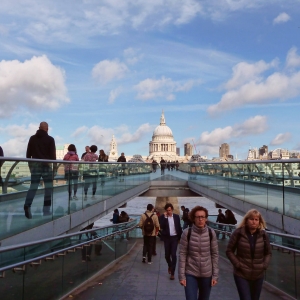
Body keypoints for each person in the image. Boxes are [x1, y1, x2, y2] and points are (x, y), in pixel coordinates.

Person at [226, 209, 272, 300]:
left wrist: (264, 265)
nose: (254, 222)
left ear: (259, 221)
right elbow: (229, 250)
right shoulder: (238, 233)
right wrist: (238, 264)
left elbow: (268, 253)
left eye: (256, 219)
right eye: (251, 219)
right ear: (246, 220)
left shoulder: (263, 235)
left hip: (258, 274)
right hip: (241, 274)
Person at [179, 206, 219, 300]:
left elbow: (214, 254)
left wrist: (215, 275)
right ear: (194, 218)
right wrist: (181, 275)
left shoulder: (211, 233)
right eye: (198, 217)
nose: (200, 219)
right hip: (190, 273)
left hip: (207, 274)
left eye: (203, 217)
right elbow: (182, 254)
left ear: (206, 218)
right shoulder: (186, 233)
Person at [24, 122, 56, 219]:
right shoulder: (50, 139)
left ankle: (27, 205)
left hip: (35, 165)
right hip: (46, 166)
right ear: (47, 129)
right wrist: (53, 169)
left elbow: (28, 154)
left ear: (39, 128)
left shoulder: (32, 138)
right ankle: (46, 210)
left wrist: (31, 166)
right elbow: (53, 157)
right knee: (48, 188)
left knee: (33, 187)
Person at [159, 203, 183, 280]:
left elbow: (179, 227)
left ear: (172, 209)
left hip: (174, 238)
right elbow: (161, 226)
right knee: (167, 255)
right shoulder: (163, 217)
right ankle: (170, 265)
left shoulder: (176, 217)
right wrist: (165, 217)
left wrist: (181, 237)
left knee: (173, 254)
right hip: (167, 238)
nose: (169, 211)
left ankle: (172, 273)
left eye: (170, 210)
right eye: (167, 210)